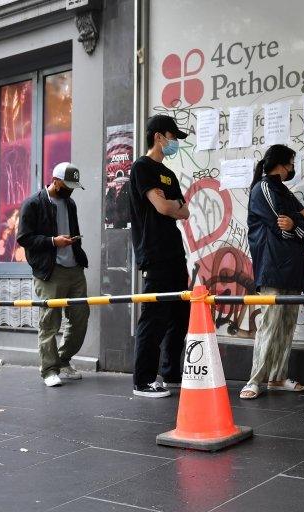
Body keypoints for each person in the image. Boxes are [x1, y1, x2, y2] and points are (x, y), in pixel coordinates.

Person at [239, 145, 304, 400]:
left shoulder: (284, 191)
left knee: (286, 326)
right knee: (270, 326)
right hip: (272, 267)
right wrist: (299, 218)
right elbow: (280, 226)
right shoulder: (262, 189)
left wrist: (297, 221)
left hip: (294, 269)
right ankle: (254, 381)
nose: (293, 169)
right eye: (291, 163)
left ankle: (278, 377)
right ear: (280, 164)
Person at [128, 114, 191, 398]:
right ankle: (143, 381)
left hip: (175, 251)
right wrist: (171, 204)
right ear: (158, 136)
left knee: (179, 315)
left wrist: (171, 203)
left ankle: (170, 373)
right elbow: (165, 208)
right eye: (173, 136)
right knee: (154, 317)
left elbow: (184, 211)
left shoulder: (170, 174)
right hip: (154, 252)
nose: (175, 142)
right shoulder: (142, 168)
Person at [17, 162, 89, 387]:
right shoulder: (33, 203)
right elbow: (24, 238)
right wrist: (52, 242)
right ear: (55, 181)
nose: (70, 190)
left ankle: (63, 359)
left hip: (74, 268)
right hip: (50, 271)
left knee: (80, 319)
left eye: (74, 186)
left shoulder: (71, 204)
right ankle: (49, 369)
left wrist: (73, 244)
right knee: (50, 322)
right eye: (67, 185)